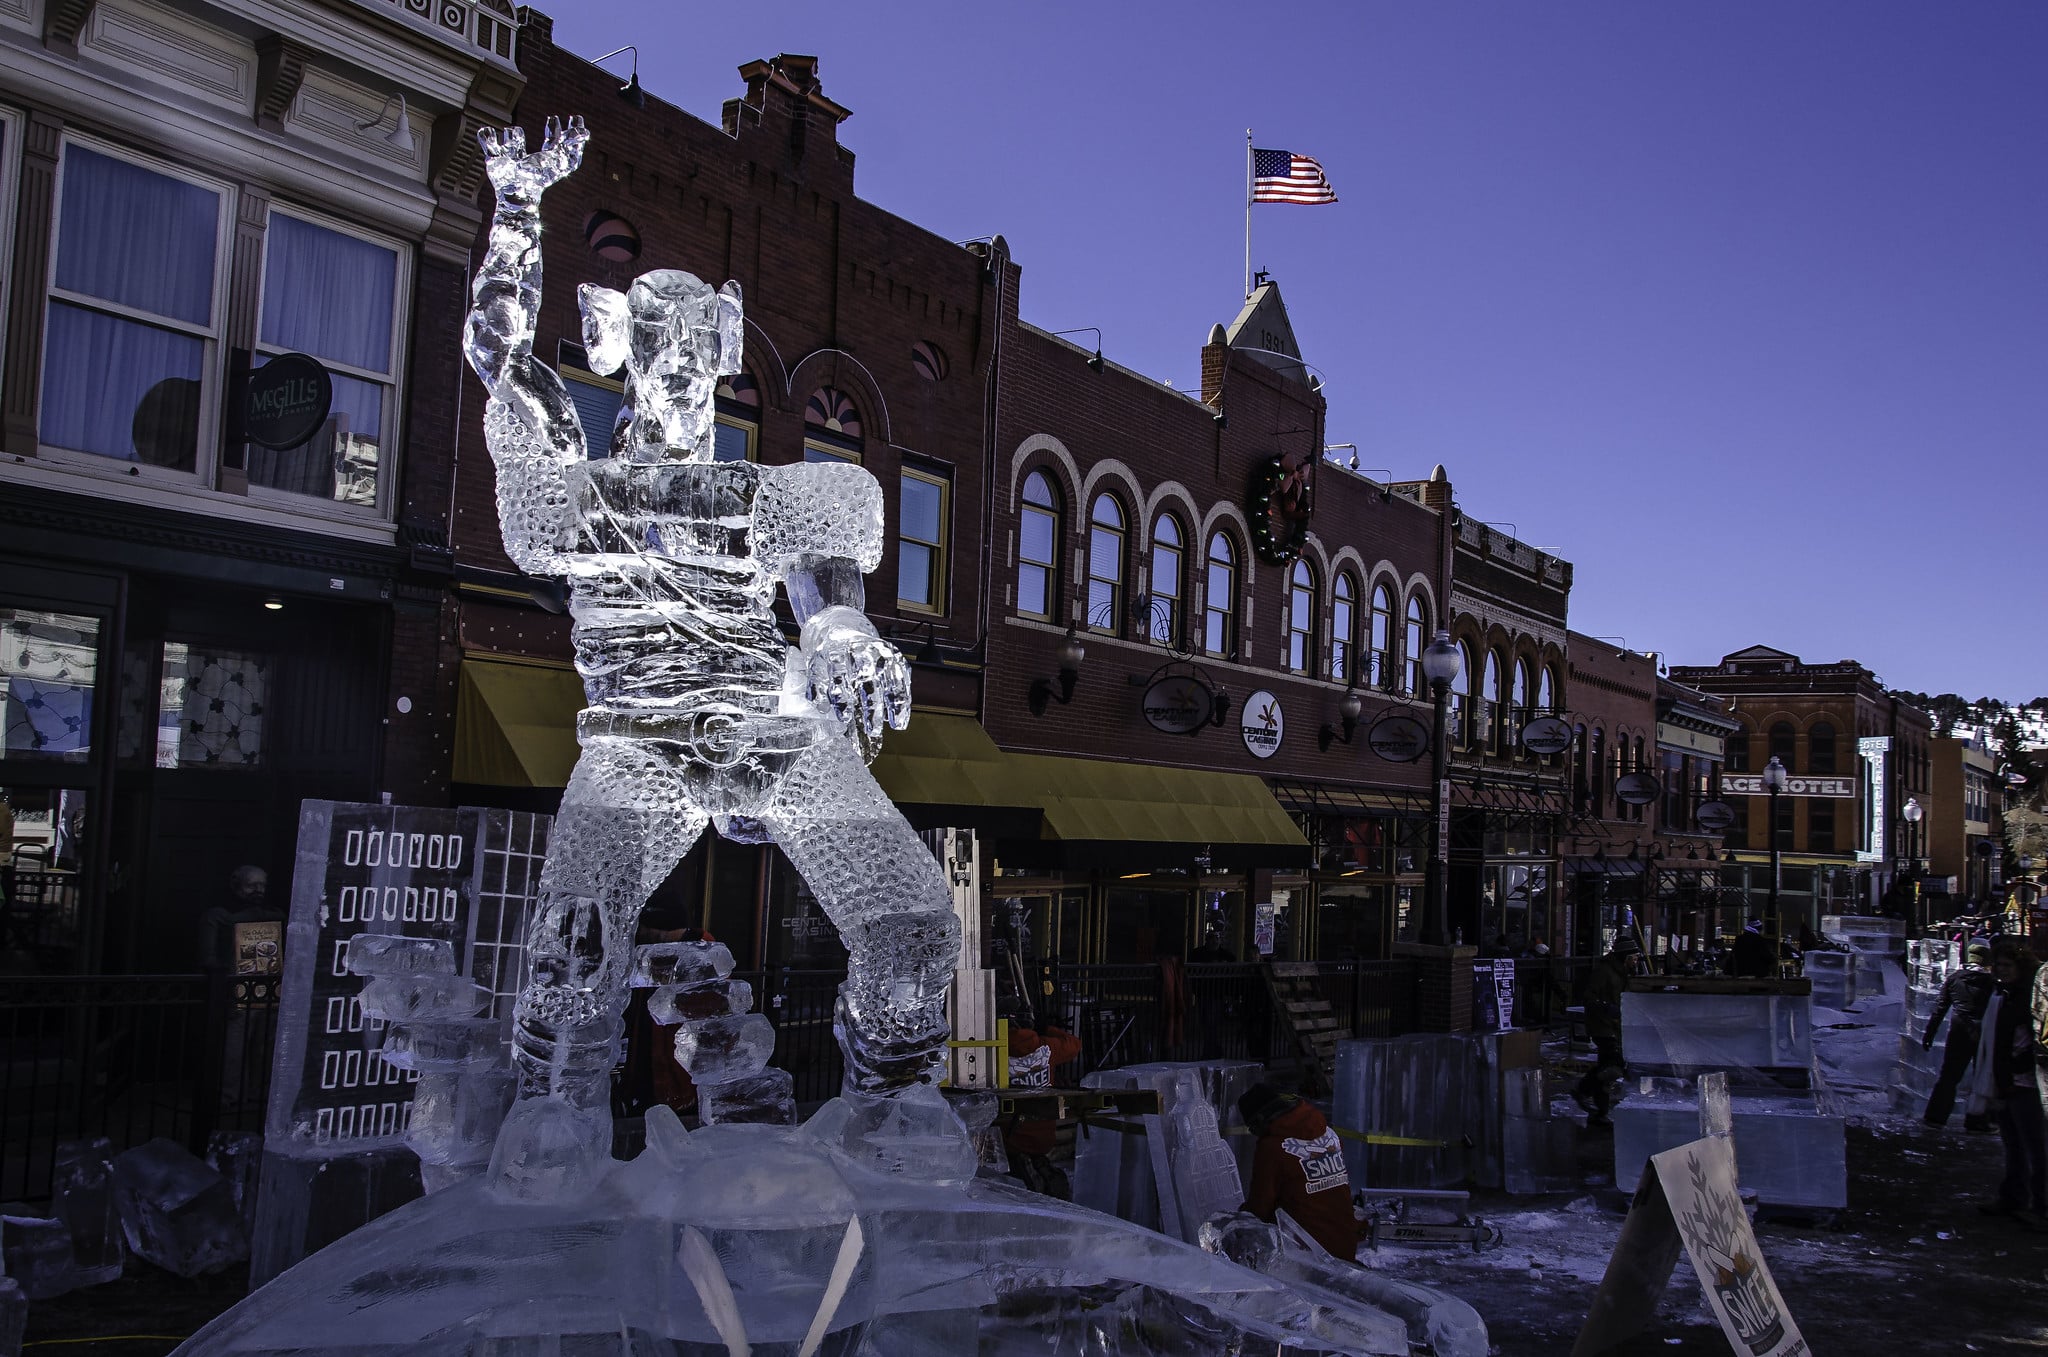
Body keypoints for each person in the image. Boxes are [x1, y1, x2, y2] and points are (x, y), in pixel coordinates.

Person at [1237, 1083, 1356, 1261]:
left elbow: (1260, 1207)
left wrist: (1238, 1219)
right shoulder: (1328, 1133)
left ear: (1261, 1119)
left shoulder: (1272, 1147)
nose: (1254, 1134)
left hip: (1309, 1254)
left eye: (1252, 1128)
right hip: (1346, 1244)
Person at [1981, 946, 2046, 1226]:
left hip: (2026, 1082)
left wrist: (2021, 1064)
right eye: (1999, 965)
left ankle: (2042, 1207)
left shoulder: (2025, 999)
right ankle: (2013, 1197)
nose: (2002, 970)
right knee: (2012, 1143)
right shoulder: (2002, 996)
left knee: (2037, 1148)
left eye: (2007, 965)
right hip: (2006, 1079)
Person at [1002, 1006, 1082, 1199]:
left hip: (1009, 1140)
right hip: (1043, 1138)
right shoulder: (1047, 1047)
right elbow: (1075, 1044)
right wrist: (1048, 1029)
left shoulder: (990, 1050)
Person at [1923, 942, 1997, 1129]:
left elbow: (1940, 1008)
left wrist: (1929, 1033)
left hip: (1959, 1031)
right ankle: (1977, 1120)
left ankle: (1935, 1117)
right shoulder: (1992, 982)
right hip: (1984, 1034)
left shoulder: (1954, 979)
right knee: (1983, 1078)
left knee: (1949, 1076)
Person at [1574, 935, 1643, 1128]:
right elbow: (1588, 996)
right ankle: (1583, 1090)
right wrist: (1604, 1007)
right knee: (1612, 1066)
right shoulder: (1605, 971)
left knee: (1607, 1066)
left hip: (1614, 1025)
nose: (1636, 961)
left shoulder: (1623, 973)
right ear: (1624, 957)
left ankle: (1600, 1111)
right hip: (1602, 1025)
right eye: (1634, 957)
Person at [197, 865, 283, 973]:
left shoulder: (274, 913)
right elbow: (208, 958)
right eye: (251, 885)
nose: (258, 890)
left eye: (262, 885)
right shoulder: (216, 915)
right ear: (236, 887)